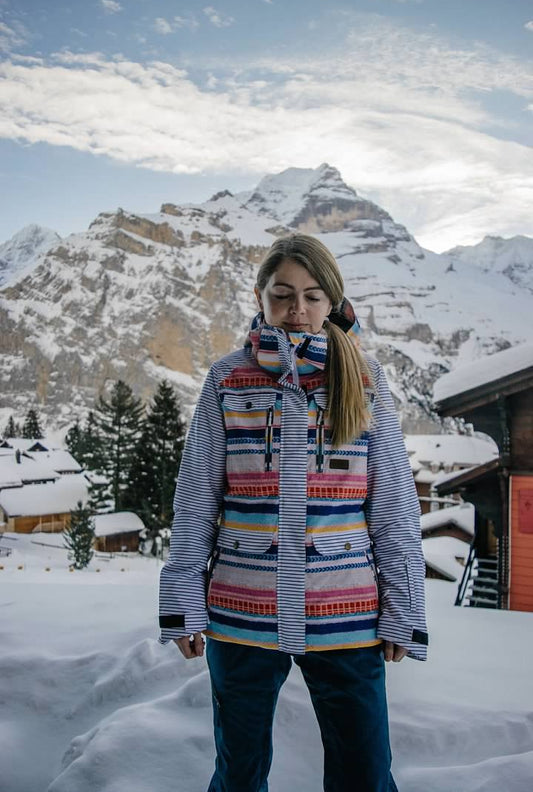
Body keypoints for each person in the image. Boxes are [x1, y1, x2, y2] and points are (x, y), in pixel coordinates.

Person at [159, 233, 428, 792]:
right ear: (260, 297)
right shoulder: (228, 380)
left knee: (366, 775)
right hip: (241, 613)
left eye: (311, 295)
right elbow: (197, 497)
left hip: (347, 615)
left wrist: (404, 604)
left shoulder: (365, 380)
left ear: (332, 301)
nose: (297, 310)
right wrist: (183, 597)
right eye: (282, 294)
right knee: (238, 773)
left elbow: (394, 507)